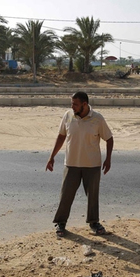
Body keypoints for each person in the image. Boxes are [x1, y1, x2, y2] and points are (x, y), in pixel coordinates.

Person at [46, 91, 114, 237]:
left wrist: (108, 159)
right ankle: (60, 223)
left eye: (75, 104)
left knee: (92, 197)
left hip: (92, 165)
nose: (72, 107)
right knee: (66, 195)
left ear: (84, 104)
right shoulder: (68, 116)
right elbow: (61, 136)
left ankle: (94, 223)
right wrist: (52, 156)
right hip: (71, 163)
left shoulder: (97, 119)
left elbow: (109, 138)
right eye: (71, 104)